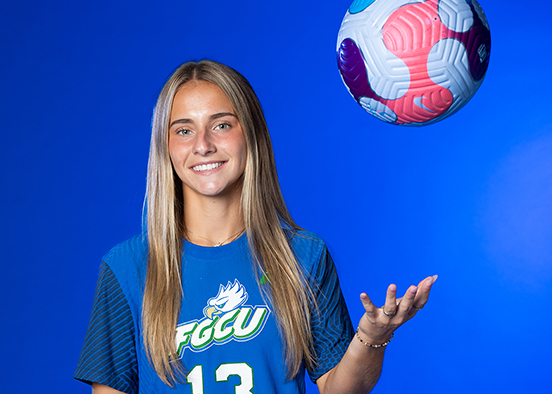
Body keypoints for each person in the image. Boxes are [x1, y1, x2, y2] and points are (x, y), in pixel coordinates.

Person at [74, 60, 436, 394]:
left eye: (221, 125)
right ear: (166, 147)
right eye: (184, 130)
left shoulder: (303, 256)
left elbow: (339, 388)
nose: (203, 145)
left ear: (252, 135)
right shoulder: (127, 268)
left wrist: (371, 338)